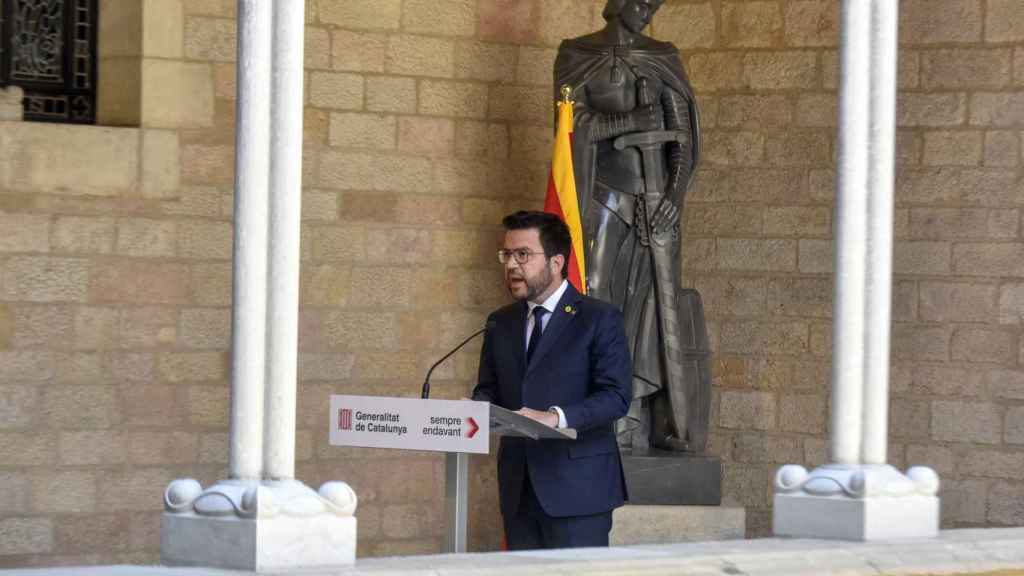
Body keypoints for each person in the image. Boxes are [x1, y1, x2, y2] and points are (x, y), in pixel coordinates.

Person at [554, 0, 705, 452]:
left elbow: (682, 139)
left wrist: (674, 199)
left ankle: (644, 419)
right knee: (597, 298)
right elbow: (569, 125)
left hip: (655, 205)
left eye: (653, 4)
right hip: (601, 197)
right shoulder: (576, 54)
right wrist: (627, 122)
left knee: (652, 310)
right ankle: (596, 411)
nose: (646, 11)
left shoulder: (663, 57)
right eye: (640, 1)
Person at [472, 210, 632, 550]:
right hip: (519, 489)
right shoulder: (500, 322)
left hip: (579, 491)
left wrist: (555, 417)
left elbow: (616, 396)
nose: (511, 265)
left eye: (523, 255)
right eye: (507, 254)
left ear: (557, 262)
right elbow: (488, 390)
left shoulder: (598, 318)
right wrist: (472, 411)